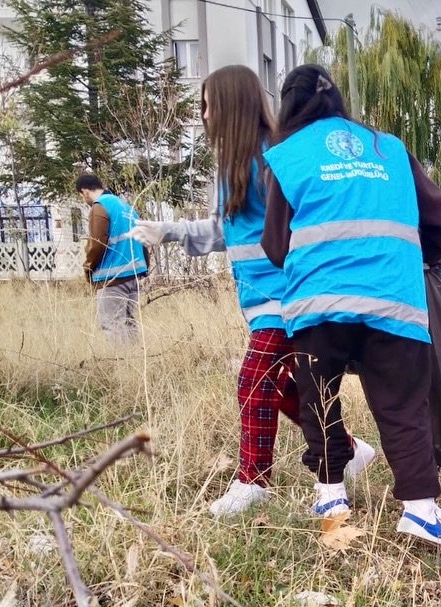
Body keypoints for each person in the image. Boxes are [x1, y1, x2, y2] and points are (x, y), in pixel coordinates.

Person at [128, 65, 374, 517]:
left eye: (206, 105)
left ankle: (253, 480)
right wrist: (168, 231)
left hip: (287, 295)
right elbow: (229, 229)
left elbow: (299, 220)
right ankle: (351, 449)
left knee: (254, 381)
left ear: (228, 106)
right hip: (261, 298)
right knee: (286, 388)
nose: (201, 115)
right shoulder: (234, 164)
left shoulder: (271, 158)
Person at [259, 64, 441, 550]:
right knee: (402, 405)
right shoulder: (388, 149)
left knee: (321, 399)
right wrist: (427, 260)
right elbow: (438, 211)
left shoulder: (285, 156)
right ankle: (420, 512)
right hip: (392, 295)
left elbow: (274, 244)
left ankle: (330, 496)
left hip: (318, 300)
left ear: (287, 106)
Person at [76, 173, 149, 344]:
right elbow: (144, 240)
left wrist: (88, 268)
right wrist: (144, 268)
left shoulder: (99, 207)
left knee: (112, 323)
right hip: (135, 274)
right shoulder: (127, 207)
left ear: (85, 192)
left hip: (112, 277)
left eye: (81, 195)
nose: (83, 199)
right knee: (128, 321)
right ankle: (137, 361)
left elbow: (97, 244)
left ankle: (122, 367)